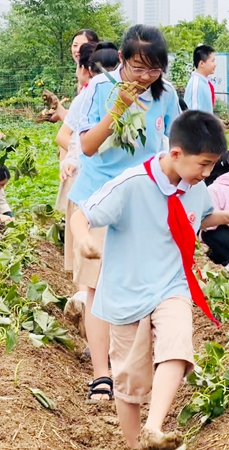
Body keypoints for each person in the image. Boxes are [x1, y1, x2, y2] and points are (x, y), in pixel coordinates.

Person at [70, 110, 229, 450]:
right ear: (177, 154)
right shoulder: (131, 184)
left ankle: (154, 427)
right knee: (129, 386)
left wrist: (226, 216)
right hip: (127, 294)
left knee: (178, 345)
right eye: (204, 164)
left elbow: (201, 216)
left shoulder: (196, 188)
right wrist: (84, 240)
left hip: (172, 286)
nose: (208, 173)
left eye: (213, 165)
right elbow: (82, 216)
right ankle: (138, 444)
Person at [69, 24, 181, 402]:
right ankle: (102, 375)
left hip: (144, 201)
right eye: (139, 68)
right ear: (121, 60)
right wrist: (117, 110)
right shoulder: (99, 90)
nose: (147, 77)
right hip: (100, 201)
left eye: (155, 70)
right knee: (99, 287)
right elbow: (85, 146)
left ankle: (137, 369)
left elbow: (174, 143)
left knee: (145, 285)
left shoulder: (165, 95)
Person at [57, 42, 120, 318]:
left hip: (94, 189)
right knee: (95, 268)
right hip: (99, 190)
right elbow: (74, 142)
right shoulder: (105, 96)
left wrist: (71, 160)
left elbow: (70, 140)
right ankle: (94, 338)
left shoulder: (94, 94)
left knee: (93, 269)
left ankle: (92, 331)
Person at [184, 44, 217, 113]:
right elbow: (193, 117)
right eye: (212, 61)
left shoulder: (204, 82)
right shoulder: (196, 85)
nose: (215, 64)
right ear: (202, 63)